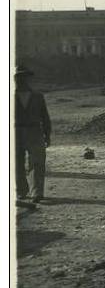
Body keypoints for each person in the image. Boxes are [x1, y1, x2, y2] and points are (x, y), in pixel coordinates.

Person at [14, 65, 51, 203]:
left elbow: (45, 117)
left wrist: (47, 134)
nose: (21, 80)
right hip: (15, 132)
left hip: (35, 131)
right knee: (16, 162)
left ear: (28, 78)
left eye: (24, 77)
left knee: (37, 162)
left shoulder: (37, 96)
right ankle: (21, 191)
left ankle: (37, 193)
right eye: (18, 77)